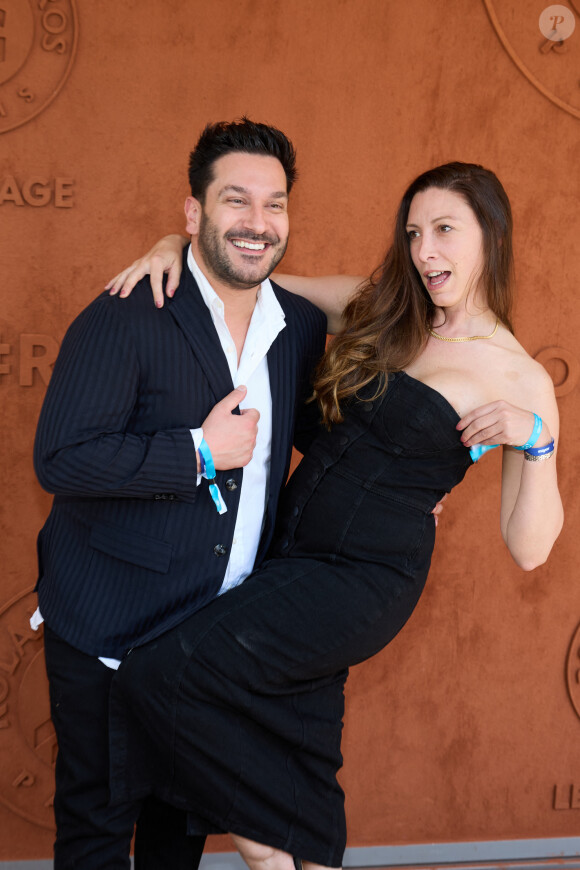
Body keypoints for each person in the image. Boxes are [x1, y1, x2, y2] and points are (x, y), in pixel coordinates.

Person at [105, 162, 563, 870]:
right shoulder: (376, 306)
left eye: (445, 230)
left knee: (162, 678)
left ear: (491, 238)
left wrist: (537, 440)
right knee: (294, 742)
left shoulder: (518, 375)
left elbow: (529, 548)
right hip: (286, 553)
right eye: (414, 232)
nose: (424, 251)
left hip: (364, 579)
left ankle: (269, 856)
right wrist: (178, 244)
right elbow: (249, 277)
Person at [33, 119, 328, 870]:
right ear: (193, 213)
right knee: (97, 837)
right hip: (109, 638)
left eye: (276, 204)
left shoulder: (298, 328)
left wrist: (405, 490)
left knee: (179, 843)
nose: (258, 223)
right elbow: (62, 458)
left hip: (209, 651)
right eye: (236, 201)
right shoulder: (124, 316)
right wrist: (198, 452)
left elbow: (326, 435)